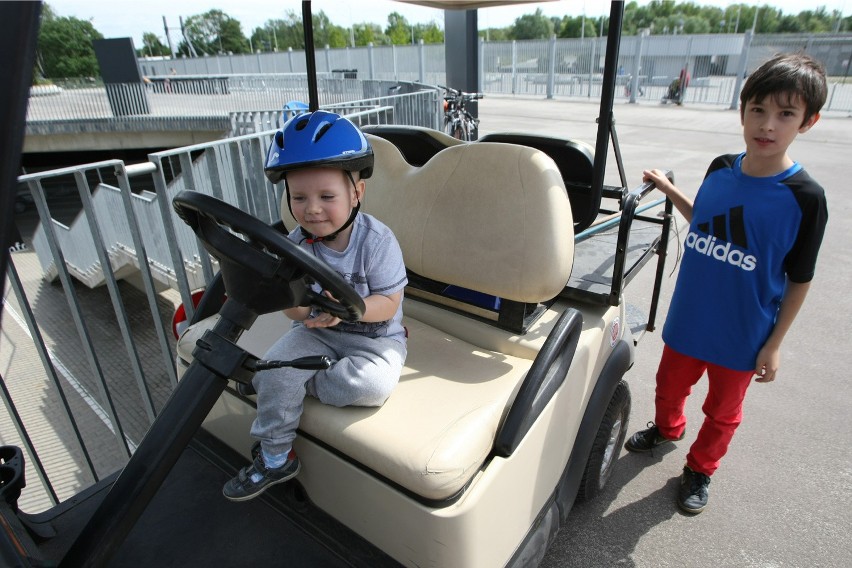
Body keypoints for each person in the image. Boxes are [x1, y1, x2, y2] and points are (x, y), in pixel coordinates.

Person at [628, 53, 828, 515]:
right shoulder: (721, 167)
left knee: (722, 412)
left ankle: (700, 468)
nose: (768, 125)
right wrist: (667, 188)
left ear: (808, 121)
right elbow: (706, 222)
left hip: (743, 334)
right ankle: (667, 428)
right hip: (690, 319)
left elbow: (800, 279)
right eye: (758, 110)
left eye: (786, 114)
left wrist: (774, 344)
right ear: (742, 111)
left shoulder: (805, 198)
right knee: (668, 388)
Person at [223, 111, 408, 501]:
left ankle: (289, 381)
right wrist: (308, 313)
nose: (312, 209)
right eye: (299, 197)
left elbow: (389, 304)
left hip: (374, 339)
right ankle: (275, 458)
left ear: (357, 193)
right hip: (315, 336)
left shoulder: (377, 242)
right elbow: (292, 308)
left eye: (327, 197)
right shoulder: (296, 243)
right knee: (275, 371)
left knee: (371, 386)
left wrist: (349, 308)